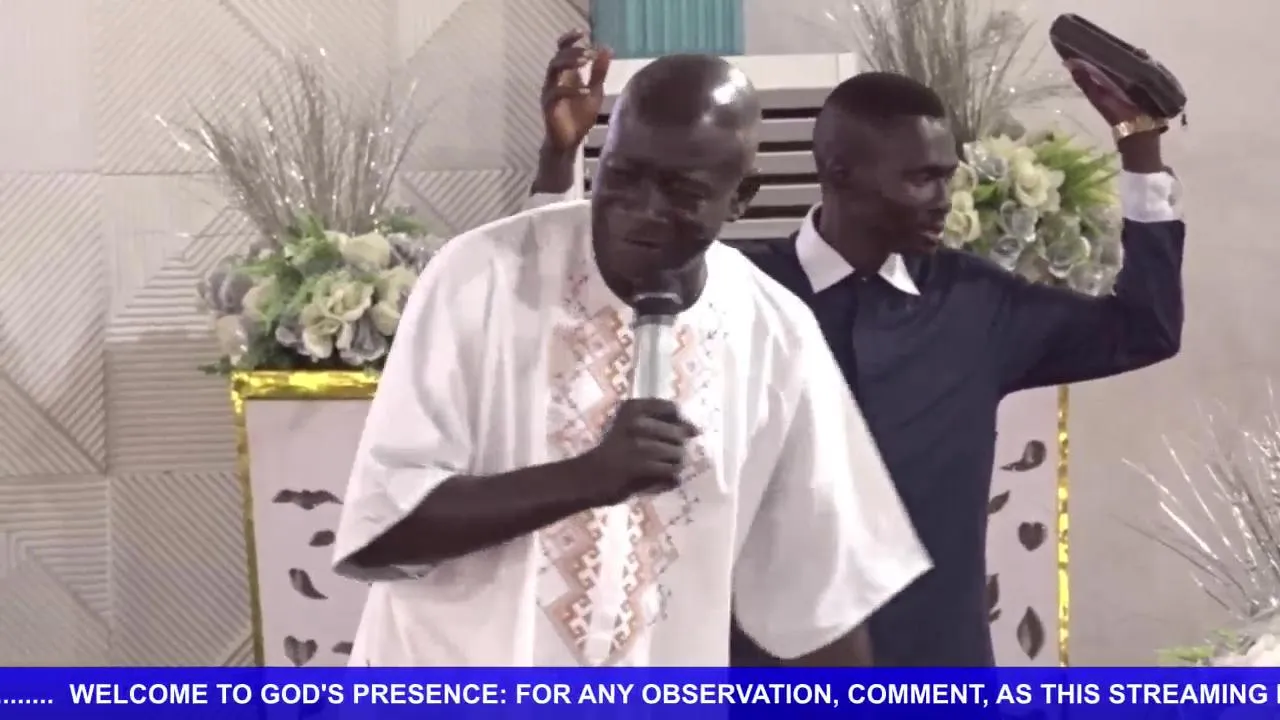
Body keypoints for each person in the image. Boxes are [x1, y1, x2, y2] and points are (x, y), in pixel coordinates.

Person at [528, 41, 1184, 666]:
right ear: (839, 173)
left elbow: (1144, 327)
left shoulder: (977, 302)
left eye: (946, 177)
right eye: (922, 179)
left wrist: (1139, 144)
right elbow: (571, 315)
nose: (944, 199)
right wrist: (560, 160)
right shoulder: (735, 290)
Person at [331, 46, 929, 666]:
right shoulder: (479, 276)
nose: (643, 209)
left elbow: (822, 599)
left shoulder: (777, 334)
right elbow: (380, 532)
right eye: (622, 174)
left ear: (741, 197)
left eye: (681, 190)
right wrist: (588, 477)